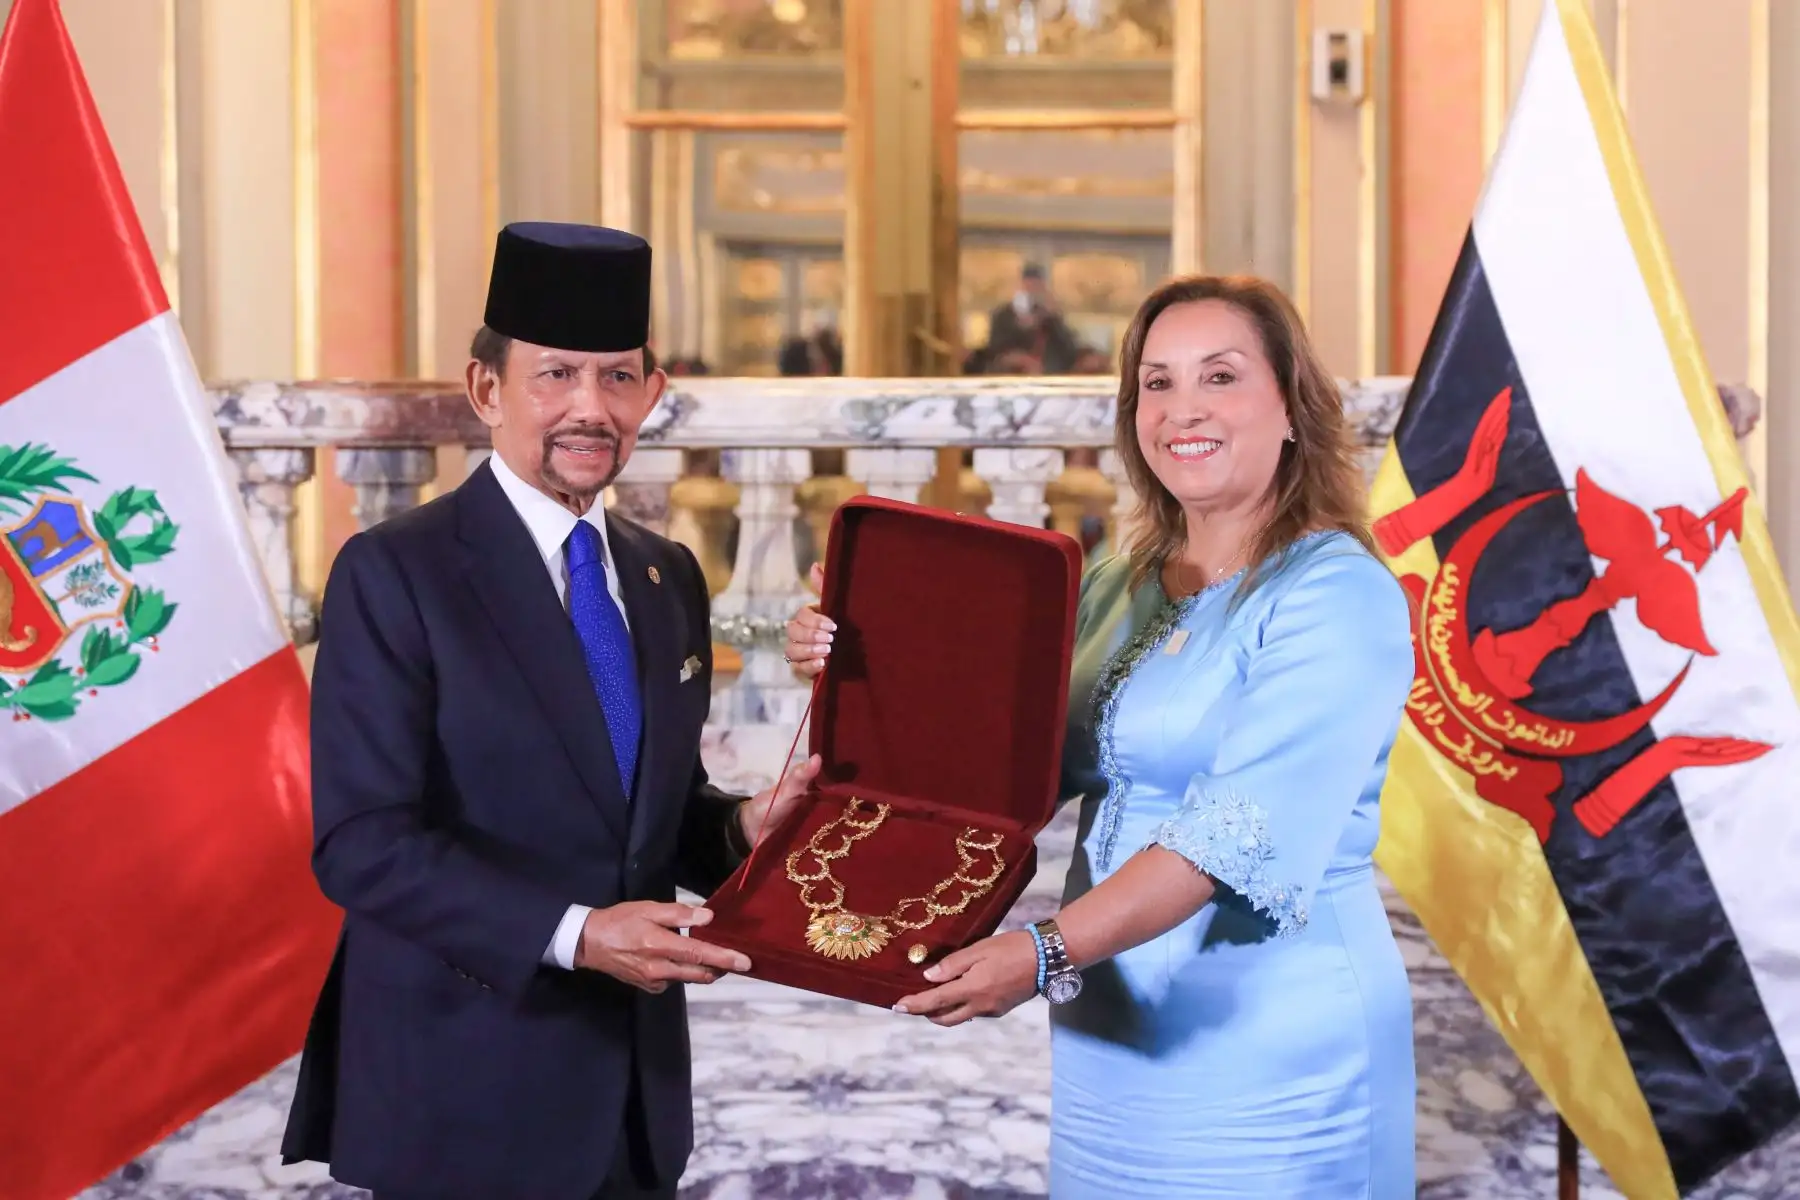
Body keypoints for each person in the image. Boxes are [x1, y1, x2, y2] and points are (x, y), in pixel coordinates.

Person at [786, 274, 1417, 1197]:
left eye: (1220, 377)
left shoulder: (1339, 593)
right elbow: (1001, 764)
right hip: (1107, 1039)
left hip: (1270, 1047)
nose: (1182, 409)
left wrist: (1040, 954)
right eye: (1155, 383)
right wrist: (858, 660)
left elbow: (1227, 836)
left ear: (1290, 406)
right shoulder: (1119, 583)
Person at [283, 222, 820, 1200]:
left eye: (617, 378)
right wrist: (580, 935)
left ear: (653, 395)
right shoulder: (398, 572)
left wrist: (745, 825)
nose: (589, 407)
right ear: (486, 389)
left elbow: (644, 823)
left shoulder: (666, 578)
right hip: (461, 1096)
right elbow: (360, 844)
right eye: (557, 375)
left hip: (631, 1103)